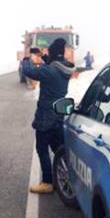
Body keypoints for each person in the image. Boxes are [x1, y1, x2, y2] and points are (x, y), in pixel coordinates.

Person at [22, 38, 76, 194]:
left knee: (42, 148)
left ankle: (47, 182)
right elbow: (53, 64)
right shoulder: (64, 68)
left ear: (53, 54)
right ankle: (67, 177)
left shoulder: (49, 71)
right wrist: (43, 56)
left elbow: (29, 71)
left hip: (46, 116)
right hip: (58, 113)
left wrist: (28, 58)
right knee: (58, 148)